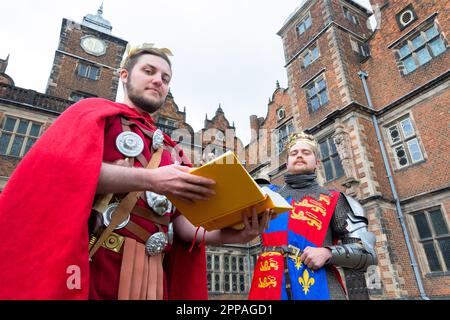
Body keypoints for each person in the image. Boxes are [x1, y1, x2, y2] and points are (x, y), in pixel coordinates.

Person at [0, 44, 270, 300]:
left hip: (154, 272)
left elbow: (182, 226)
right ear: (124, 76)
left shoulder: (172, 150)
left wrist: (233, 236)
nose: (158, 81)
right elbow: (62, 173)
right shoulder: (92, 114)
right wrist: (152, 179)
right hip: (97, 263)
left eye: (165, 78)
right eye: (149, 71)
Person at [248, 132, 377, 300]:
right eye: (294, 153)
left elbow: (367, 253)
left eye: (306, 152)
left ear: (317, 162)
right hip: (268, 287)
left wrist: (328, 253)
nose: (299, 155)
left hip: (320, 287)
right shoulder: (265, 197)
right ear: (287, 163)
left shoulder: (335, 200)